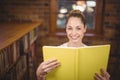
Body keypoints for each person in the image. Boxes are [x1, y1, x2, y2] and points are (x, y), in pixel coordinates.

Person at [36, 10, 110, 80]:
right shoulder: (56, 52)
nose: (74, 33)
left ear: (85, 29)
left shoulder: (93, 54)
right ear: (66, 29)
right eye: (70, 28)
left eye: (78, 28)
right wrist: (39, 74)